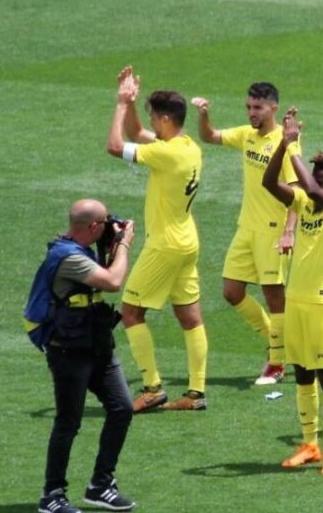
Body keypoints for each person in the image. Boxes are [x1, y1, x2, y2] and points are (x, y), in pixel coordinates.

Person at [107, 66, 208, 412]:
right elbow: (137, 132)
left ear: (164, 119)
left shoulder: (165, 154)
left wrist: (120, 102)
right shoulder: (187, 146)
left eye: (153, 116)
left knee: (132, 311)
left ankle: (152, 388)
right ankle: (196, 394)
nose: (150, 123)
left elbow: (115, 144)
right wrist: (134, 102)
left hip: (164, 244)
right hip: (187, 241)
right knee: (190, 316)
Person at [26, 199, 136, 513]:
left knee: (122, 408)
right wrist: (124, 244)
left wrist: (111, 247)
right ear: (92, 227)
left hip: (96, 344)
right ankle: (52, 495)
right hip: (69, 350)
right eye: (104, 222)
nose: (109, 226)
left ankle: (101, 485)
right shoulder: (68, 257)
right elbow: (113, 282)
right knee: (68, 422)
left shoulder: (83, 250)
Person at [263, 109, 323, 476]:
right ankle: (309, 444)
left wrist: (295, 145)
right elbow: (270, 184)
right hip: (295, 300)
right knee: (301, 373)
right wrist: (282, 148)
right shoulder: (303, 204)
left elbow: (314, 191)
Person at [192, 83, 298, 385]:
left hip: (273, 231)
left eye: (258, 108)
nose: (252, 113)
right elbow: (209, 136)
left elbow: (297, 191)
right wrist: (203, 115)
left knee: (274, 297)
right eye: (249, 107)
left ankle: (277, 363)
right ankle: (276, 340)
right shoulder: (247, 135)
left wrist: (289, 232)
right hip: (246, 227)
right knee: (231, 291)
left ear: (273, 108)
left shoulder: (286, 141)